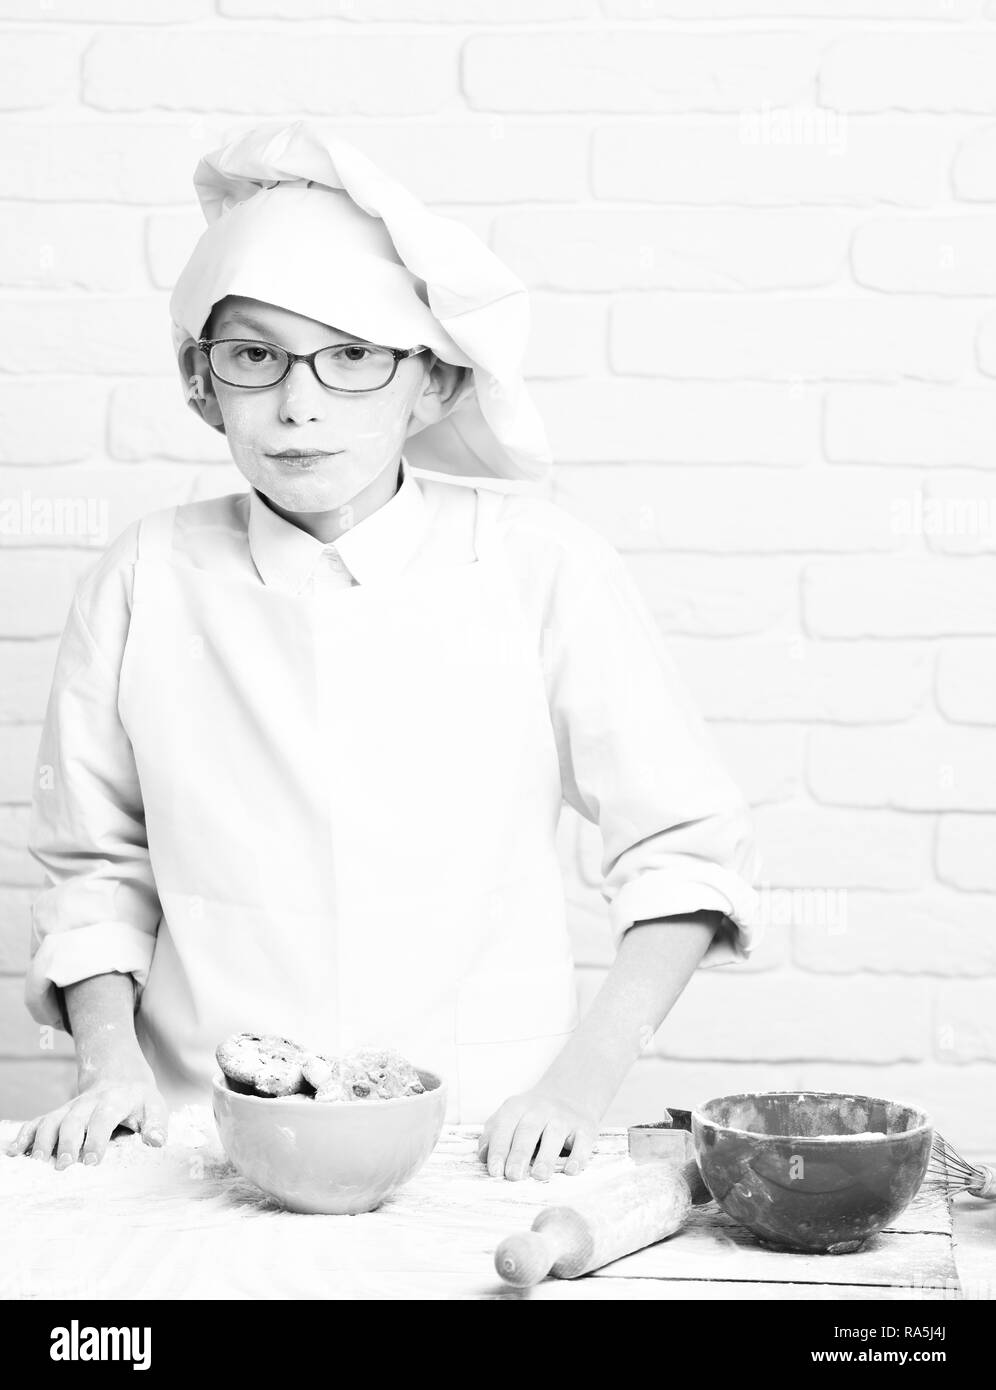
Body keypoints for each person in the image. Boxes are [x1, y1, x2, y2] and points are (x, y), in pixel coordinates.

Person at [8, 121, 761, 1182]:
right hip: (200, 1139)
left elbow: (684, 853)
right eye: (254, 355)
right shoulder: (142, 576)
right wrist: (106, 1065)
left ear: (435, 384)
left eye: (353, 355)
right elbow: (95, 868)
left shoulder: (541, 565)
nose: (299, 400)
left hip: (481, 1139)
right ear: (200, 382)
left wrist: (573, 1089)